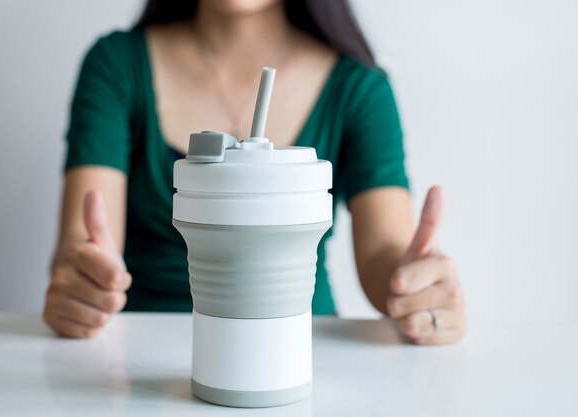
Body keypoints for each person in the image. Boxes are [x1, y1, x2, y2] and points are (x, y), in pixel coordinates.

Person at [43, 0, 466, 345]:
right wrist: (83, 284)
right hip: (132, 357)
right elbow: (84, 246)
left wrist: (414, 284)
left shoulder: (359, 88)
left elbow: (383, 253)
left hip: (305, 348)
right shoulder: (116, 65)